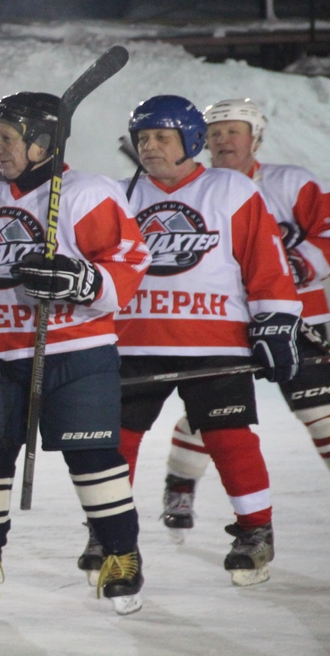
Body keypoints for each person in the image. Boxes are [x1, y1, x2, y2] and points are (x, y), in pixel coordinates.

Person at [0, 91, 150, 618]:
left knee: (93, 458)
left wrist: (84, 278)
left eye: (7, 137)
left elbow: (130, 258)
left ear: (42, 143)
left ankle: (122, 554)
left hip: (76, 350)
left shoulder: (86, 192)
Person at [109, 94, 302, 587]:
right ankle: (110, 535)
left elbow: (266, 264)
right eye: (143, 138)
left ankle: (255, 531)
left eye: (161, 137)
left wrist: (276, 322)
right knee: (115, 442)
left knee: (230, 438)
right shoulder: (118, 196)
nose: (149, 146)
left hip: (215, 342)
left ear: (191, 141)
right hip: (134, 341)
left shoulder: (230, 189)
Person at [158, 98, 330, 541]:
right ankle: (179, 484)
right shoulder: (193, 191)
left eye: (233, 130)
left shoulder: (291, 183)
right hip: (223, 325)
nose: (223, 140)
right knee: (213, 414)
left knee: (322, 414)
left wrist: (296, 267)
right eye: (215, 133)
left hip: (295, 320)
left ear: (255, 137)